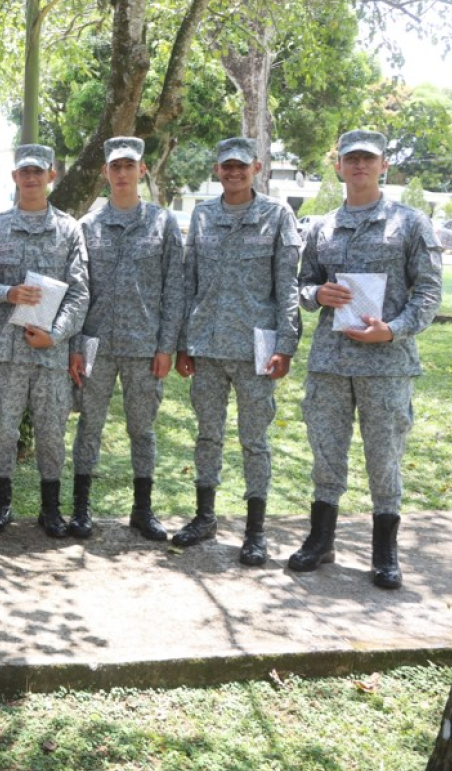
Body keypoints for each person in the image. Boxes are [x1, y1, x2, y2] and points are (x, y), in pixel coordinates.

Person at [288, 130, 443, 588]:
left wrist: (393, 329)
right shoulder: (321, 226)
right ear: (338, 166)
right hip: (331, 362)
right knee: (326, 452)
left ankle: (385, 553)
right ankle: (321, 540)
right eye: (351, 158)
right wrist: (317, 292)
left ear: (383, 166)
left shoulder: (410, 223)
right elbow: (302, 284)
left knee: (384, 457)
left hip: (387, 362)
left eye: (367, 159)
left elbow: (430, 291)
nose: (359, 166)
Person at [174, 137, 301, 566]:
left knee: (254, 440)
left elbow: (286, 286)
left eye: (241, 166)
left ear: (257, 167)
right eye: (226, 166)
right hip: (207, 346)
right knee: (208, 435)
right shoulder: (203, 215)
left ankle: (255, 531)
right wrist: (181, 343)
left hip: (256, 349)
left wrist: (286, 344)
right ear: (217, 170)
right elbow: (187, 282)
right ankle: (205, 517)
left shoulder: (277, 215)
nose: (234, 173)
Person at [68, 137, 184, 542]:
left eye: (128, 166)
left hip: (144, 345)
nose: (121, 173)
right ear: (105, 172)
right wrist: (76, 346)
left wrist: (167, 346)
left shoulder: (163, 223)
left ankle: (143, 509)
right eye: (115, 166)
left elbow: (175, 288)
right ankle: (81, 509)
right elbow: (77, 292)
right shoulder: (86, 227)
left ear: (142, 170)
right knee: (90, 426)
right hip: (96, 344)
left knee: (142, 429)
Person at [0, 143, 89, 538]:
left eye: (38, 172)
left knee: (51, 432)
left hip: (50, 354)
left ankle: (50, 509)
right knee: (3, 430)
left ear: (51, 175)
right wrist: (7, 293)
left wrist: (55, 336)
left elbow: (79, 293)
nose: (31, 178)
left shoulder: (69, 229)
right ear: (14, 177)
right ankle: (1, 504)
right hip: (7, 353)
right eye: (24, 171)